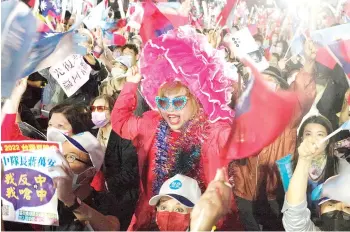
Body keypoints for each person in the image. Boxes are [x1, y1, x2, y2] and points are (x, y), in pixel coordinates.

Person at [111, 26, 243, 230]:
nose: (169, 110)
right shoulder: (151, 124)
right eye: (163, 103)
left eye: (178, 102)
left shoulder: (214, 131)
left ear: (196, 98)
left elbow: (245, 141)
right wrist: (130, 85)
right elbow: (120, 123)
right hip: (153, 220)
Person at [231, 40, 317, 231]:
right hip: (242, 192)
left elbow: (303, 93)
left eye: (271, 83)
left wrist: (309, 63)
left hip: (273, 195)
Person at [282, 119, 350, 231]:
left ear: (328, 140)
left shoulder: (341, 164)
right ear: (301, 139)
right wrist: (304, 159)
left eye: (320, 134)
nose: (313, 139)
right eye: (308, 134)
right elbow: (293, 212)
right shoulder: (288, 166)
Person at [44, 132, 120, 231]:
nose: (61, 161)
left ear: (90, 171)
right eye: (60, 154)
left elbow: (112, 228)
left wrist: (70, 199)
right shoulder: (48, 198)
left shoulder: (105, 201)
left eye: (70, 157)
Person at [90, 94, 141, 230]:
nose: (96, 113)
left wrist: (106, 184)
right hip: (100, 198)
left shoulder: (124, 135)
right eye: (93, 108)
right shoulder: (91, 135)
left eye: (101, 108)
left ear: (112, 110)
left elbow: (131, 172)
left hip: (123, 198)